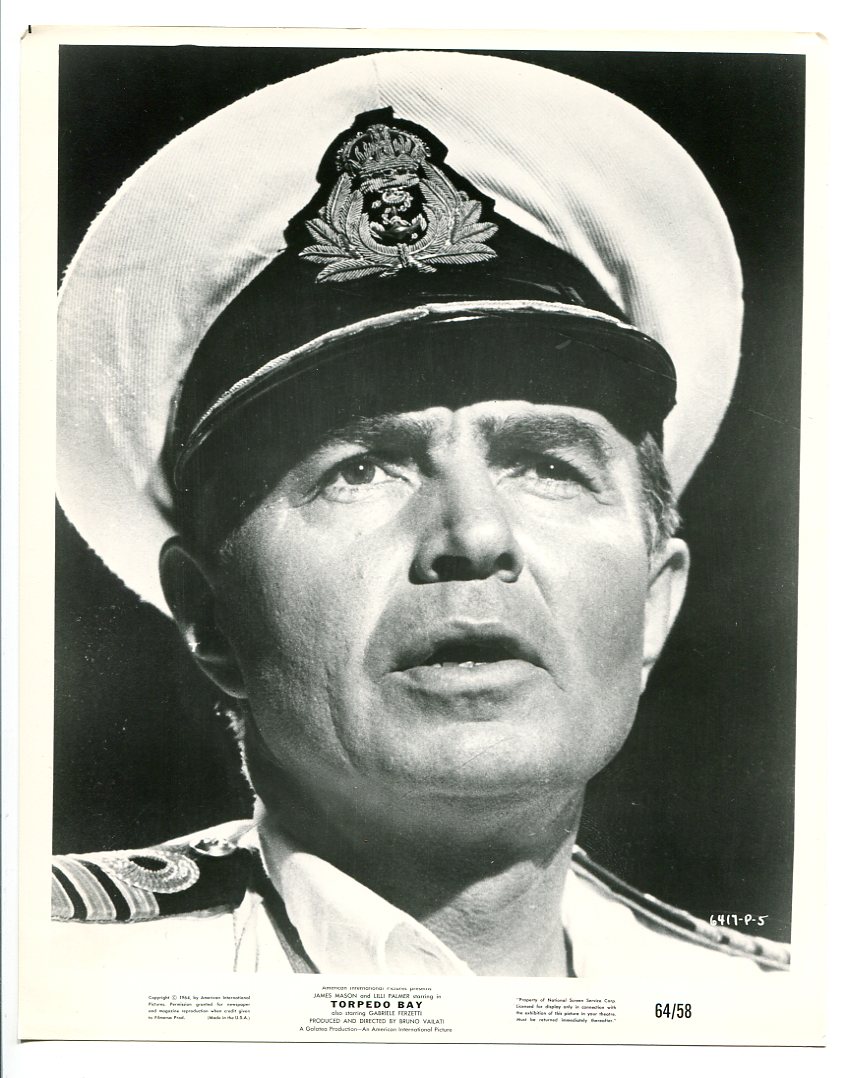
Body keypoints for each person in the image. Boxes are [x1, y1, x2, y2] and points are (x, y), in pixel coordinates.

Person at [51, 50, 790, 976]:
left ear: (653, 601)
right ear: (208, 615)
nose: (473, 538)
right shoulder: (56, 978)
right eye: (358, 469)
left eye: (546, 466)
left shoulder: (762, 1008)